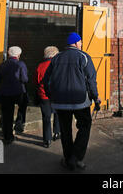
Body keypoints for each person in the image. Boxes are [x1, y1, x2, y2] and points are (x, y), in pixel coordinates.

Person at [43, 32, 101, 171]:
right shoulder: (84, 57)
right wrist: (95, 96)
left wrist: (52, 96)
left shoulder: (56, 58)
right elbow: (91, 79)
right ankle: (76, 157)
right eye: (80, 42)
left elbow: (46, 80)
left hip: (60, 102)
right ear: (75, 43)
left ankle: (69, 159)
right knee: (85, 126)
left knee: (65, 130)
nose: (81, 44)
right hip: (80, 101)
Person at [0, 46, 28, 144]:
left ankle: (8, 136)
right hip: (17, 92)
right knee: (24, 103)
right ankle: (19, 123)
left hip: (5, 93)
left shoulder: (3, 65)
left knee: (7, 115)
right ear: (18, 55)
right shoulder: (20, 64)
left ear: (9, 54)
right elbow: (25, 79)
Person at [34, 46, 61, 148]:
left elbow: (36, 81)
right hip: (56, 95)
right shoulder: (58, 66)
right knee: (58, 114)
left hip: (43, 95)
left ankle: (47, 139)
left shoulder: (40, 66)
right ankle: (57, 132)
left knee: (46, 118)